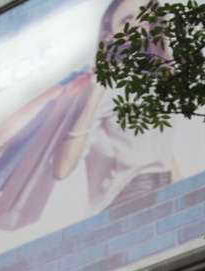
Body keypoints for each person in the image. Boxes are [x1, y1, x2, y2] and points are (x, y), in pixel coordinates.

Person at [55, 0, 180, 212]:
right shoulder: (110, 82)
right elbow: (62, 169)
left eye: (143, 16)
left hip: (164, 185)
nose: (137, 25)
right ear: (109, 34)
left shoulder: (157, 78)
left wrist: (185, 191)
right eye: (126, 20)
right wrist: (96, 93)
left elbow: (160, 151)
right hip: (132, 194)